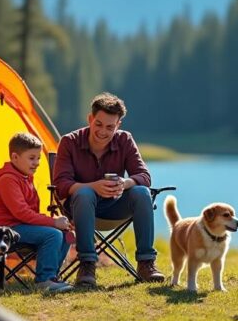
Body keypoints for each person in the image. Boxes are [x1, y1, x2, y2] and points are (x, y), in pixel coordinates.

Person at [53, 92, 165, 287]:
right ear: (90, 119)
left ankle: (146, 263)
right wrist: (93, 186)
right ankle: (87, 265)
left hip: (114, 208)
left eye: (110, 127)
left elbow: (144, 177)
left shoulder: (125, 140)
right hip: (80, 208)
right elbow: (61, 184)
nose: (103, 132)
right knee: (85, 193)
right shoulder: (69, 142)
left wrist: (124, 183)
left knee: (142, 192)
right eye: (98, 124)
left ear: (118, 125)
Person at [0, 132, 74, 293]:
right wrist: (53, 222)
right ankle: (44, 279)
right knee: (53, 234)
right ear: (15, 157)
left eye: (39, 158)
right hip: (2, 231)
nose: (37, 163)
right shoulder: (8, 180)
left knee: (65, 232)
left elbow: (30, 214)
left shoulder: (25, 177)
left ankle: (52, 275)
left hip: (19, 226)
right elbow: (22, 213)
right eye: (32, 158)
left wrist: (56, 222)